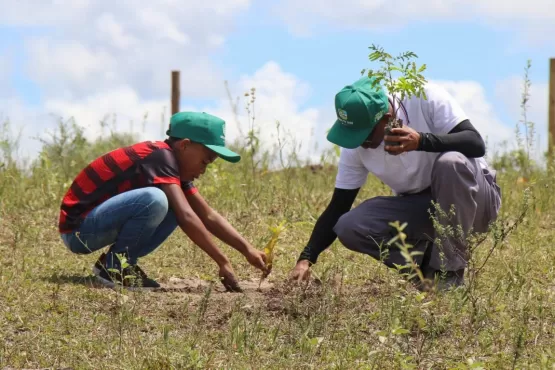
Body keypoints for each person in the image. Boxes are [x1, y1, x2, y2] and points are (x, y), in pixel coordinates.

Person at [289, 76, 502, 291]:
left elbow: (475, 143)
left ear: (387, 118)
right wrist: (307, 257)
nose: (360, 143)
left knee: (451, 162)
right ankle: (425, 273)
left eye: (365, 135)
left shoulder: (423, 96)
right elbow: (338, 207)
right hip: (424, 209)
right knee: (350, 225)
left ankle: (449, 275)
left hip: (476, 202)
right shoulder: (355, 146)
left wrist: (421, 141)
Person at [58, 111, 268, 291]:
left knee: (172, 205)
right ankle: (116, 267)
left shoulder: (174, 170)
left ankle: (115, 263)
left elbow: (207, 215)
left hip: (94, 226)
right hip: (79, 231)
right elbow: (187, 217)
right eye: (204, 161)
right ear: (185, 145)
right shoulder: (160, 156)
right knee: (155, 199)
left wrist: (247, 249)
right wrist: (222, 261)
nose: (203, 170)